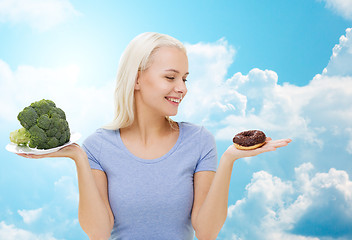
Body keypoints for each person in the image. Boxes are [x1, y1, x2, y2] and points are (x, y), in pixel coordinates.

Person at [19, 32, 291, 240]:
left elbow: (206, 231)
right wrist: (78, 158)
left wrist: (230, 158)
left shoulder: (198, 141)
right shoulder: (97, 146)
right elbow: (99, 233)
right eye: (171, 77)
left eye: (185, 78)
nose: (182, 88)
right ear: (137, 79)